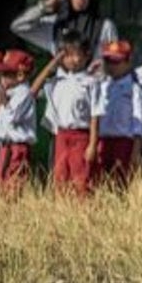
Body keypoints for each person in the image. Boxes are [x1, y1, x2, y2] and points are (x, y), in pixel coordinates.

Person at [38, 29, 101, 196]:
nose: (73, 59)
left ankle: (82, 213)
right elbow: (35, 87)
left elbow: (95, 115)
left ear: (86, 55)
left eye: (77, 54)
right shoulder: (57, 80)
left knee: (80, 178)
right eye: (68, 55)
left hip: (81, 136)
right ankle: (63, 213)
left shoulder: (90, 81)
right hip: (61, 135)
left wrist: (93, 144)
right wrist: (55, 62)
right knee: (60, 176)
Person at [10, 0, 118, 59]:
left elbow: (114, 59)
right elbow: (18, 27)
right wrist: (46, 5)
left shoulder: (105, 26)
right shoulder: (55, 24)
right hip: (63, 82)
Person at [98, 40, 142, 187]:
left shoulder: (134, 89)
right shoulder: (101, 86)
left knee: (120, 181)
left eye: (116, 61)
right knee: (100, 181)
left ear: (127, 63)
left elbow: (138, 124)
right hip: (103, 140)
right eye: (107, 60)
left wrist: (136, 150)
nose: (111, 65)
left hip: (123, 142)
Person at [0, 49, 37, 191]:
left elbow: (12, 117)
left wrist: (3, 96)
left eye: (6, 74)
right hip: (5, 145)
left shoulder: (24, 93)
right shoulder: (11, 91)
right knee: (1, 183)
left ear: (20, 75)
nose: (1, 77)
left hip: (18, 147)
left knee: (14, 184)